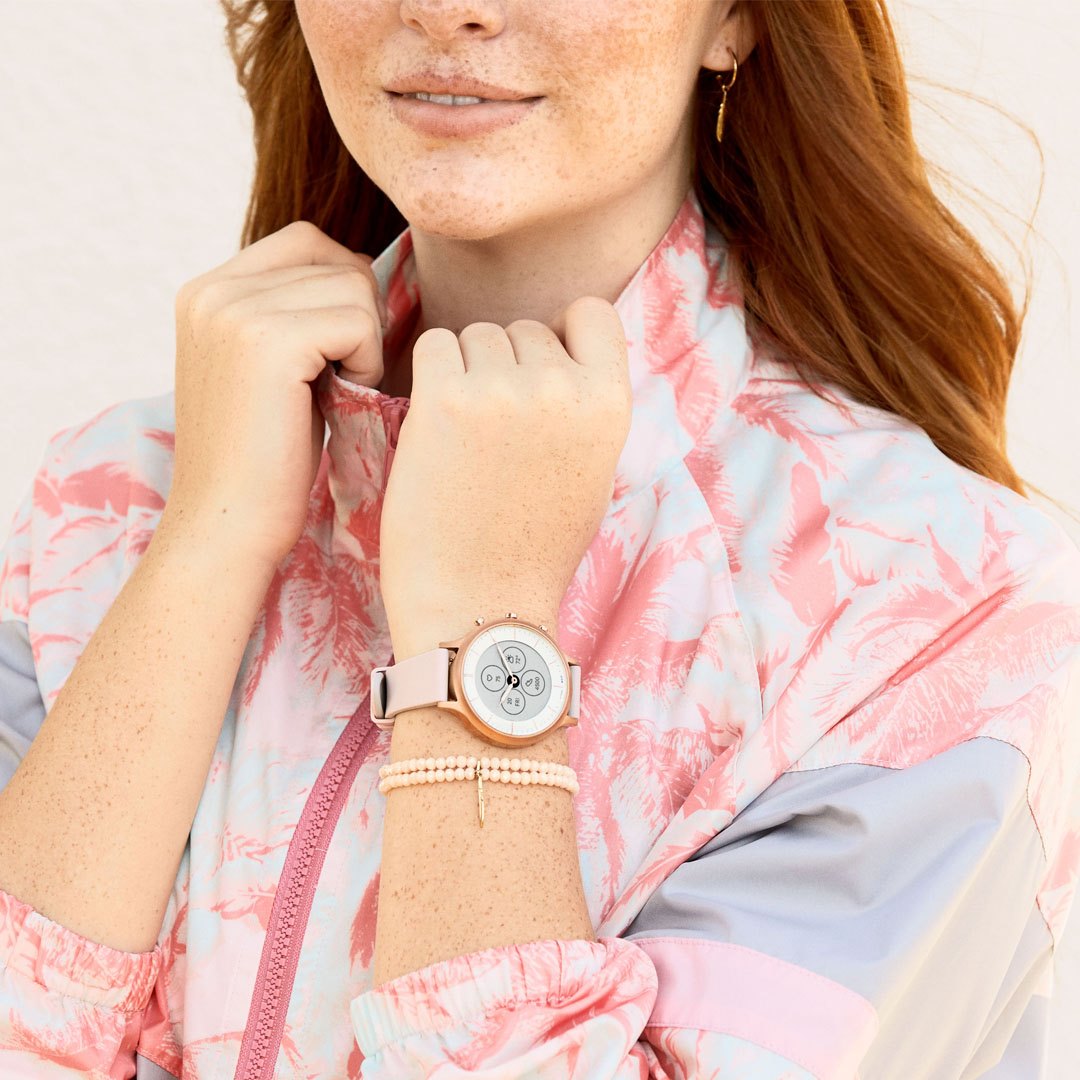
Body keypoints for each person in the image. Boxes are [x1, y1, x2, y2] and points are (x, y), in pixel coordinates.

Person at [0, 1, 1078, 1076]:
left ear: (736, 20)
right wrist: (203, 548)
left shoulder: (941, 611)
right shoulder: (105, 504)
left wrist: (483, 638)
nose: (447, 9)